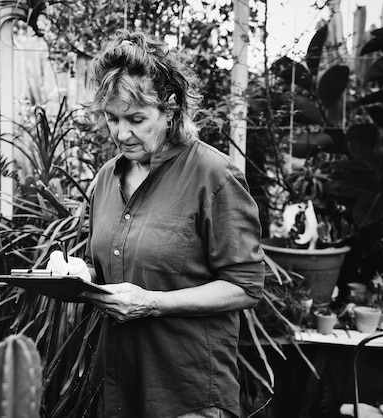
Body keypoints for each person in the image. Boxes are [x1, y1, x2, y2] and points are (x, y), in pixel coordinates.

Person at [80, 29, 265, 418]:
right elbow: (105, 269)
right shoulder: (105, 178)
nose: (121, 133)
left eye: (136, 119)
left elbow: (245, 287)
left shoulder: (212, 175)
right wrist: (76, 275)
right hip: (118, 386)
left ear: (171, 110)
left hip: (186, 393)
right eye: (112, 119)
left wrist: (153, 303)